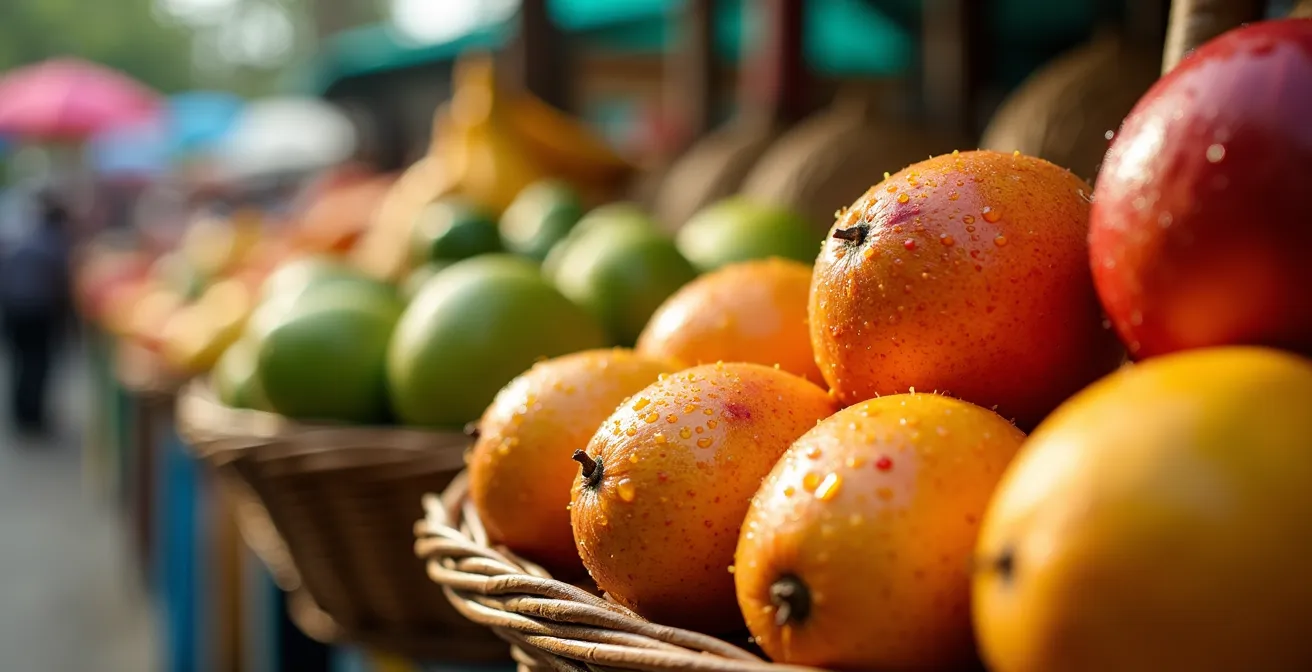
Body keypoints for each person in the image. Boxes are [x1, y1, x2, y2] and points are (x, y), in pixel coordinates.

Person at [0, 192, 73, 434]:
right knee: (37, 365)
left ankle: (22, 415)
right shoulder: (54, 243)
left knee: (21, 364)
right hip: (39, 312)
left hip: (16, 310)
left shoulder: (24, 238)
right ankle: (33, 416)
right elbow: (61, 281)